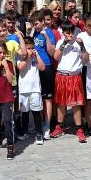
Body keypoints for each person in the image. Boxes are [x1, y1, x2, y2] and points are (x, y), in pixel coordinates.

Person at [52, 21, 89, 142]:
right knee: (61, 103)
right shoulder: (60, 42)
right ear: (63, 32)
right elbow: (56, 57)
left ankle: (79, 128)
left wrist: (82, 46)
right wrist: (64, 43)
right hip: (62, 75)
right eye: (67, 32)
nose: (69, 34)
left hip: (75, 76)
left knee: (76, 104)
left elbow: (85, 59)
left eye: (71, 32)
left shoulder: (79, 43)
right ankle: (60, 126)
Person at [30, 10, 56, 139]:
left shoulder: (48, 32)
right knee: (38, 96)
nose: (35, 26)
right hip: (36, 68)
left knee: (47, 98)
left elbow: (52, 53)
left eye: (37, 23)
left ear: (42, 22)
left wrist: (46, 38)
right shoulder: (34, 32)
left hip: (47, 68)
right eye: (34, 24)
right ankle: (38, 124)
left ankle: (47, 125)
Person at [17, 36, 45, 145]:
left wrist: (36, 56)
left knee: (36, 111)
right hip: (24, 89)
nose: (30, 50)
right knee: (24, 111)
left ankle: (39, 133)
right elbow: (21, 68)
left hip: (35, 89)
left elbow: (42, 68)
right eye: (28, 48)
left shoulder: (35, 56)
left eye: (31, 48)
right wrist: (27, 57)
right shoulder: (19, 57)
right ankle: (25, 132)